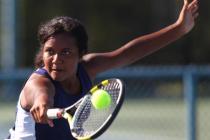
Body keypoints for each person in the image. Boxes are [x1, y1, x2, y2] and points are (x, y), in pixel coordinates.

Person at [6, 0, 199, 139]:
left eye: (65, 52)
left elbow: (128, 53)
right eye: (50, 51)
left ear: (81, 53)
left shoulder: (87, 68)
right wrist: (42, 103)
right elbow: (40, 94)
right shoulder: (39, 82)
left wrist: (178, 29)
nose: (56, 59)